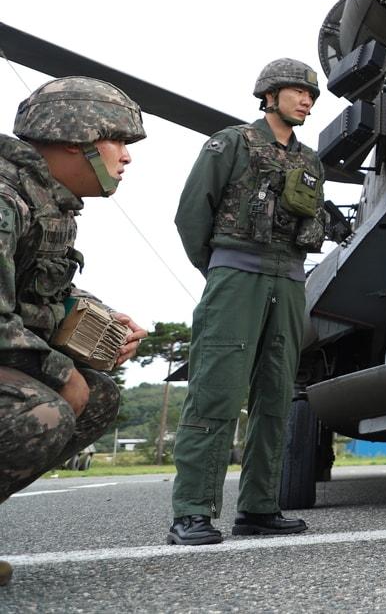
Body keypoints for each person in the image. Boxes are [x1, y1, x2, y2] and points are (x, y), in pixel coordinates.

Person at [168, 59, 329, 545]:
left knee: (277, 396)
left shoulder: (310, 161)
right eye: (298, 92)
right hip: (237, 277)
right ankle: (192, 511)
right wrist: (221, 269)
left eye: (312, 96)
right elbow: (191, 215)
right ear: (269, 95)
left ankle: (259, 507)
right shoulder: (231, 143)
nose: (306, 101)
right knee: (217, 389)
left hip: (290, 281)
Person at [1, 78, 150, 586]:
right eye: (119, 141)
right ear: (75, 141)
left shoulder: (46, 203)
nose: (126, 158)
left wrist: (96, 319)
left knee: (100, 395)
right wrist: (62, 372)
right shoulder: (4, 201)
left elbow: (35, 298)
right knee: (40, 411)